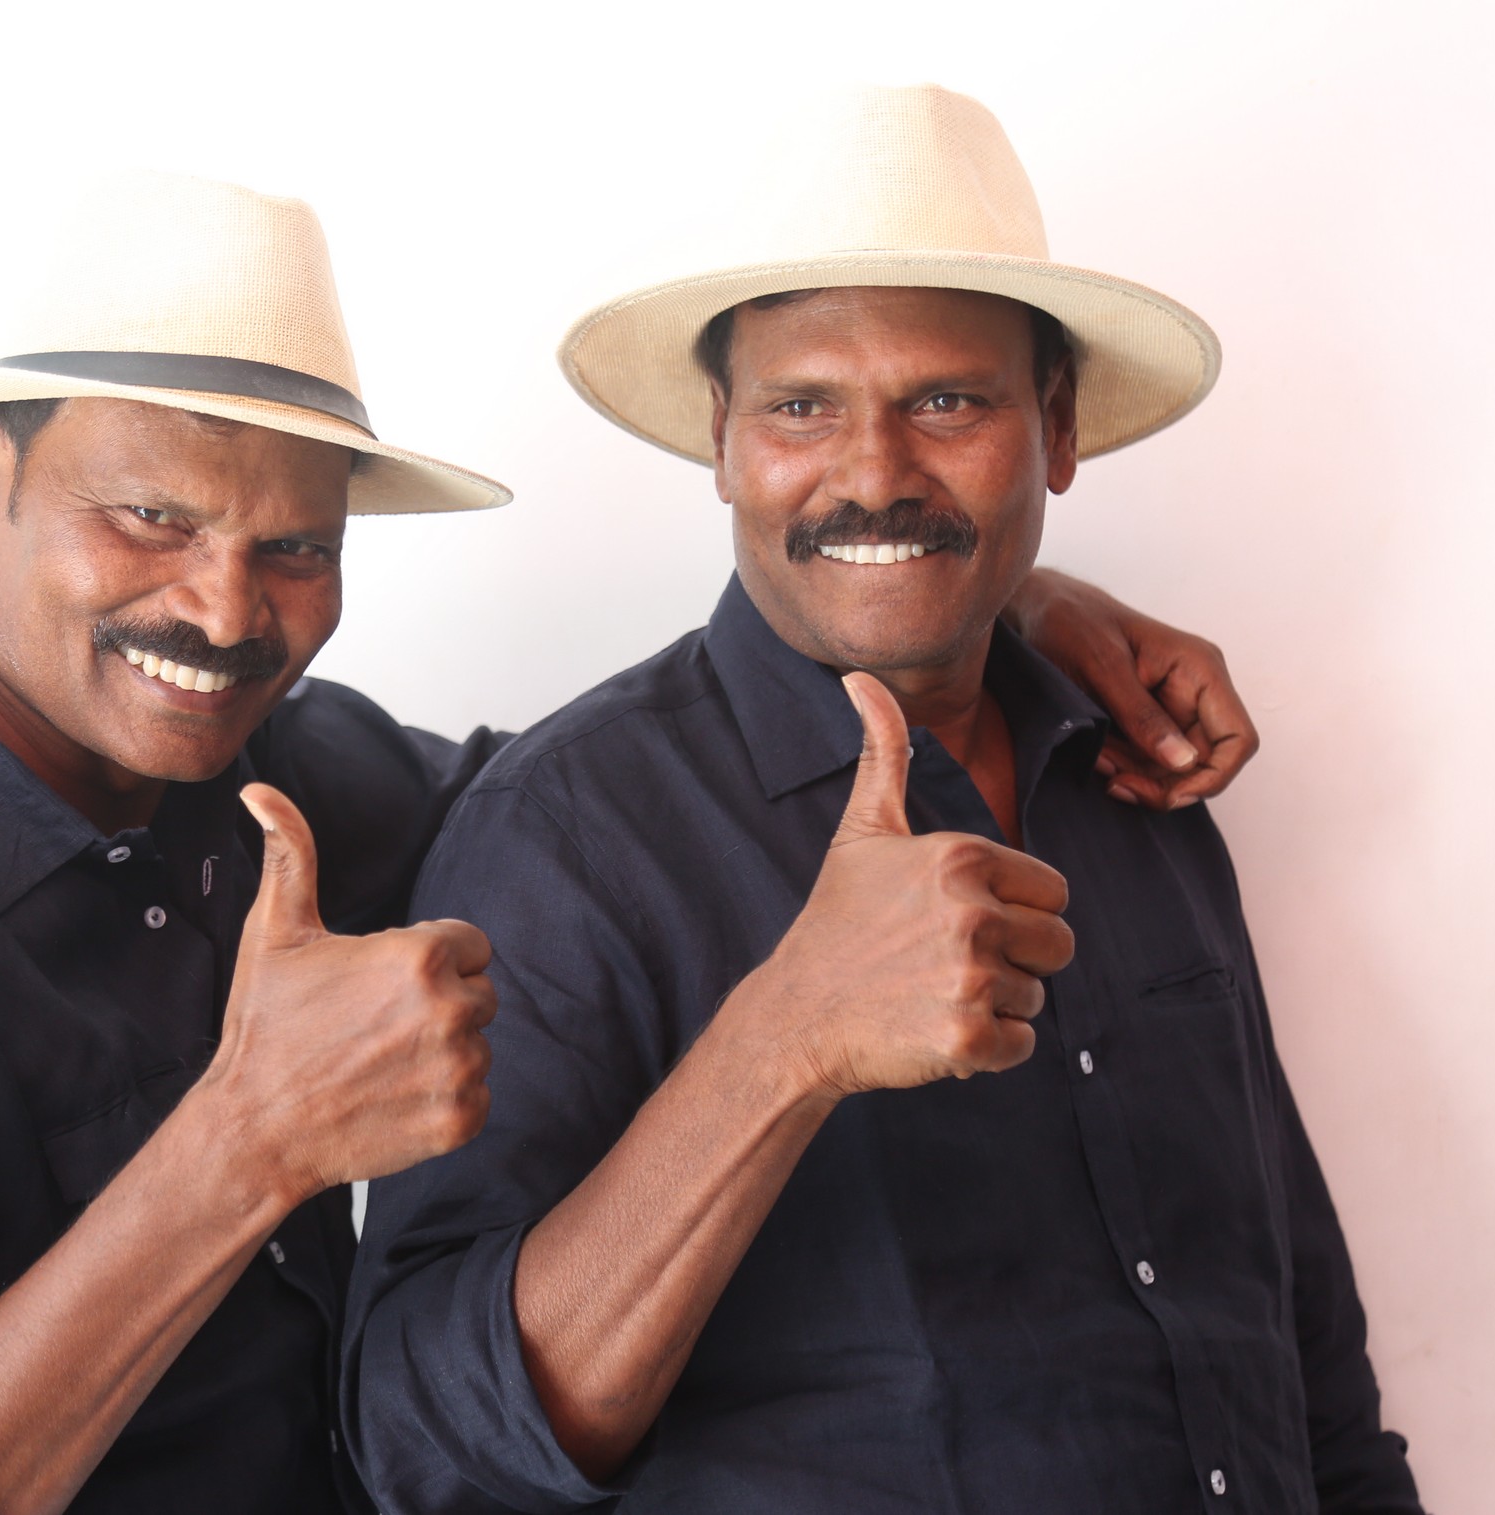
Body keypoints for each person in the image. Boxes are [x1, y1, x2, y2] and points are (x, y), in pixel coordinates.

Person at [0, 170, 1260, 1515]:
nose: (221, 609)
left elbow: (613, 805)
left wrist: (981, 593)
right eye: (150, 517)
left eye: (297, 548)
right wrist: (244, 1148)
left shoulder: (246, 757)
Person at [345, 86, 1422, 1514]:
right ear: (722, 438)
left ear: (1056, 428)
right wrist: (784, 1045)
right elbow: (422, 1443)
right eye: (802, 407)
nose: (873, 473)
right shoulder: (571, 831)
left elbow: (1297, 1343)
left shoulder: (1129, 777)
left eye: (949, 402)